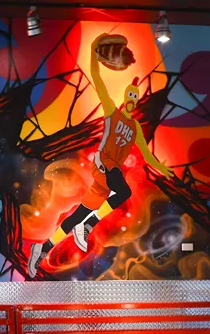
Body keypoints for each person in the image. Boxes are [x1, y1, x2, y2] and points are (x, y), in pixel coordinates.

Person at [28, 38, 173, 278]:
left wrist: (160, 167)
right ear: (126, 95)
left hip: (106, 180)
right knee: (124, 193)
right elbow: (97, 80)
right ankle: (86, 226)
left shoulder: (135, 128)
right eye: (130, 94)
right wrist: (94, 50)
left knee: (75, 216)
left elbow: (147, 154)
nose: (132, 99)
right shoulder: (112, 112)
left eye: (135, 97)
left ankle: (41, 248)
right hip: (104, 165)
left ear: (136, 101)